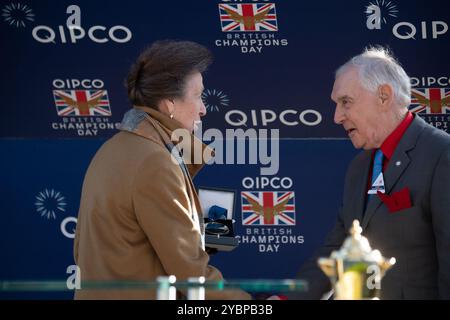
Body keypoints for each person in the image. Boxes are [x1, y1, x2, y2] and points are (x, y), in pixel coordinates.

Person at [74, 40, 250, 300]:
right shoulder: (155, 162)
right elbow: (191, 274)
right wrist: (251, 304)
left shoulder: (112, 150)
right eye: (198, 95)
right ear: (169, 103)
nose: (203, 109)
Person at [293, 47, 450, 299]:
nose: (336, 117)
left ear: (384, 96)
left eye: (346, 102)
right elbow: (338, 247)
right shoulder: (359, 167)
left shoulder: (441, 154)